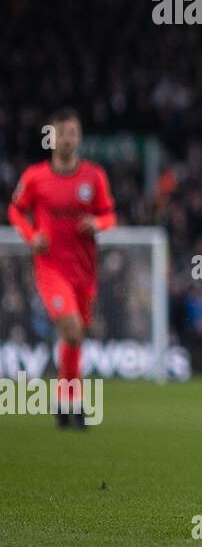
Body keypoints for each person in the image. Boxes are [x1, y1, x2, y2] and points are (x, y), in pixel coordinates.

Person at [7, 108, 116, 427]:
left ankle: (63, 402)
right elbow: (15, 211)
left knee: (76, 336)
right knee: (71, 329)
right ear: (51, 138)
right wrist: (31, 236)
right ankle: (75, 401)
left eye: (72, 133)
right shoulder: (35, 177)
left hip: (84, 270)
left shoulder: (94, 176)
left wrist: (96, 222)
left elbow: (110, 216)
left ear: (78, 138)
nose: (66, 139)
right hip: (51, 269)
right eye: (61, 133)